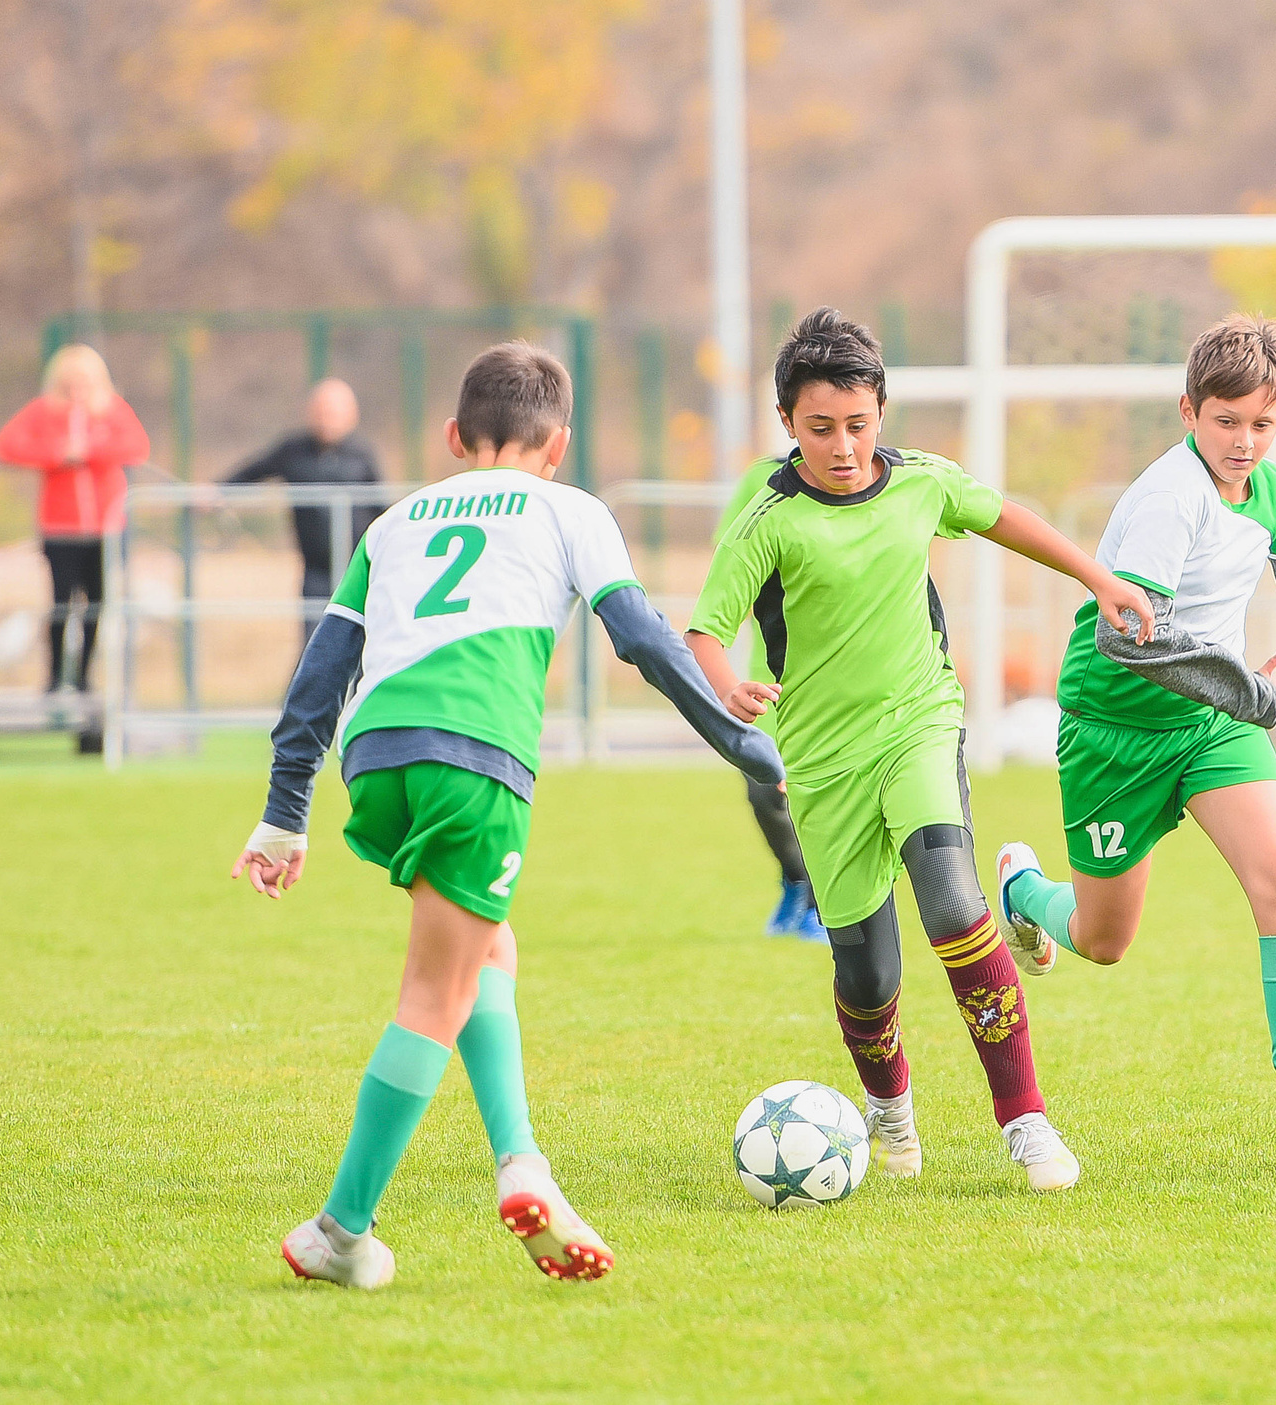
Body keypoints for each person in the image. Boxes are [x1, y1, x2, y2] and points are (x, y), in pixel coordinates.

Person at [233, 341, 783, 1290]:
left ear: (454, 436)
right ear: (559, 444)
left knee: (491, 949)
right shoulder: (570, 508)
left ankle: (522, 1160)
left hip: (378, 753)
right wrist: (741, 744)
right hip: (473, 756)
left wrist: (286, 812)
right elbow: (643, 638)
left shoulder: (397, 520)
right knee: (432, 995)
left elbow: (318, 673)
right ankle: (338, 1227)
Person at [685, 308, 1157, 1194]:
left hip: (919, 725)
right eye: (821, 428)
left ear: (882, 415)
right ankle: (891, 1112)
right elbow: (706, 628)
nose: (844, 446)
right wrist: (725, 681)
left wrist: (1098, 577)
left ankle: (1027, 1122)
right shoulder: (767, 518)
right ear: (788, 423)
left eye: (859, 425)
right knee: (868, 976)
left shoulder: (920, 484)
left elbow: (1003, 515)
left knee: (948, 899)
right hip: (822, 766)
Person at [994, 316, 1276, 1170]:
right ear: (1189, 412)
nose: (1245, 442)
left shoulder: (1269, 490)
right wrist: (1251, 688)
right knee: (1103, 941)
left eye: (1262, 423)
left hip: (1210, 726)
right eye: (1227, 422)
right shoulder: (1174, 501)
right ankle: (1024, 892)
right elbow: (1128, 638)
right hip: (1114, 732)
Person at [0, 345, 150, 696]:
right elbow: (8, 445)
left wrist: (90, 451)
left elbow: (136, 447)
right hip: (60, 528)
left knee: (97, 603)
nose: (77, 389)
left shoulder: (111, 410)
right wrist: (57, 455)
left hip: (105, 528)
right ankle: (53, 677)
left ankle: (83, 678)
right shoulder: (44, 412)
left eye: (84, 381)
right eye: (70, 381)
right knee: (62, 602)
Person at [716, 448, 825, 943]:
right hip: (772, 679)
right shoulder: (762, 481)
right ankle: (797, 879)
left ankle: (825, 903)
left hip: (851, 689)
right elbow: (730, 569)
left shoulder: (885, 480)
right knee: (764, 789)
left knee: (828, 799)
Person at [223, 378, 385, 642]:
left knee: (362, 643)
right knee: (314, 643)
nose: (325, 419)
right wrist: (219, 491)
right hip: (315, 571)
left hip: (358, 570)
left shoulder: (362, 455)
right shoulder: (293, 451)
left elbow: (381, 506)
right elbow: (255, 470)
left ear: (351, 416)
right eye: (320, 412)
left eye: (332, 413)